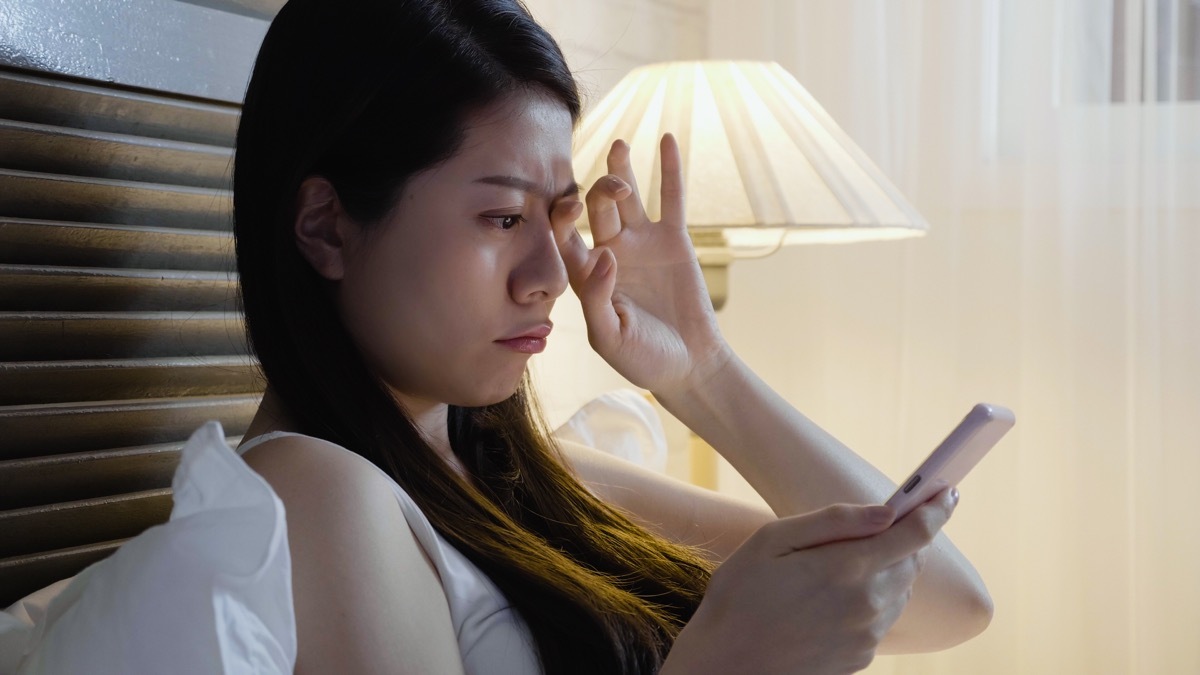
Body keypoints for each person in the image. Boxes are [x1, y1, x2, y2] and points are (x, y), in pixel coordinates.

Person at [231, 0, 993, 673]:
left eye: (558, 217)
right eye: (503, 218)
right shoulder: (314, 490)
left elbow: (944, 599)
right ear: (326, 228)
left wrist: (704, 371)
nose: (549, 274)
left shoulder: (524, 479)